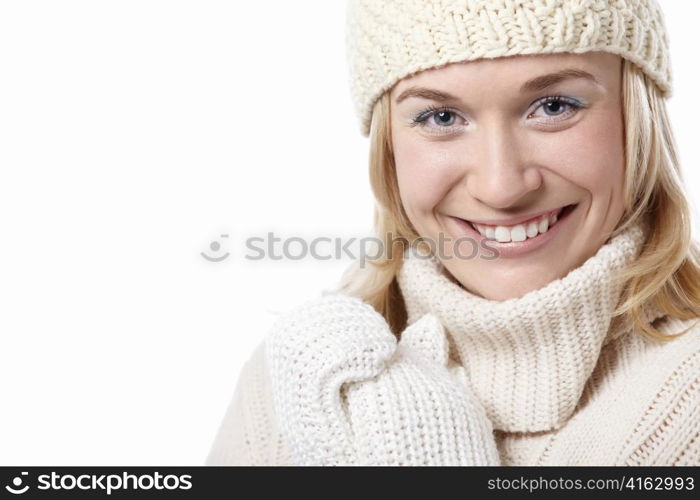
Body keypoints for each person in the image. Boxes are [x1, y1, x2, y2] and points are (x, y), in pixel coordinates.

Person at [206, 0, 700, 466]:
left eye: (554, 106)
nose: (501, 186)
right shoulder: (305, 377)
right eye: (440, 117)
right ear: (389, 148)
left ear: (638, 120)